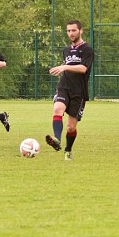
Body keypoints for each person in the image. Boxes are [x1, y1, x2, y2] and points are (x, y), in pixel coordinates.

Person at [45, 19, 94, 161]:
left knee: (71, 127)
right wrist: (63, 67)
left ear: (80, 30)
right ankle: (57, 139)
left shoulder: (87, 50)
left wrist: (64, 67)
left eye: (73, 30)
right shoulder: (66, 50)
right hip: (64, 86)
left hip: (79, 91)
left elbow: (83, 69)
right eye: (68, 31)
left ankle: (68, 150)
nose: (71, 33)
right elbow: (69, 66)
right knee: (57, 109)